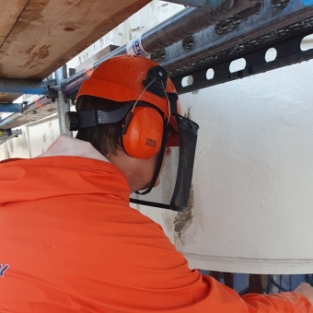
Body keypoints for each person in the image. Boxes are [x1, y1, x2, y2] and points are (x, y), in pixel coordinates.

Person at [0, 54, 313, 312]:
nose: (166, 157)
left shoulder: (14, 187)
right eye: (168, 141)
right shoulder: (117, 237)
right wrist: (302, 301)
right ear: (143, 134)